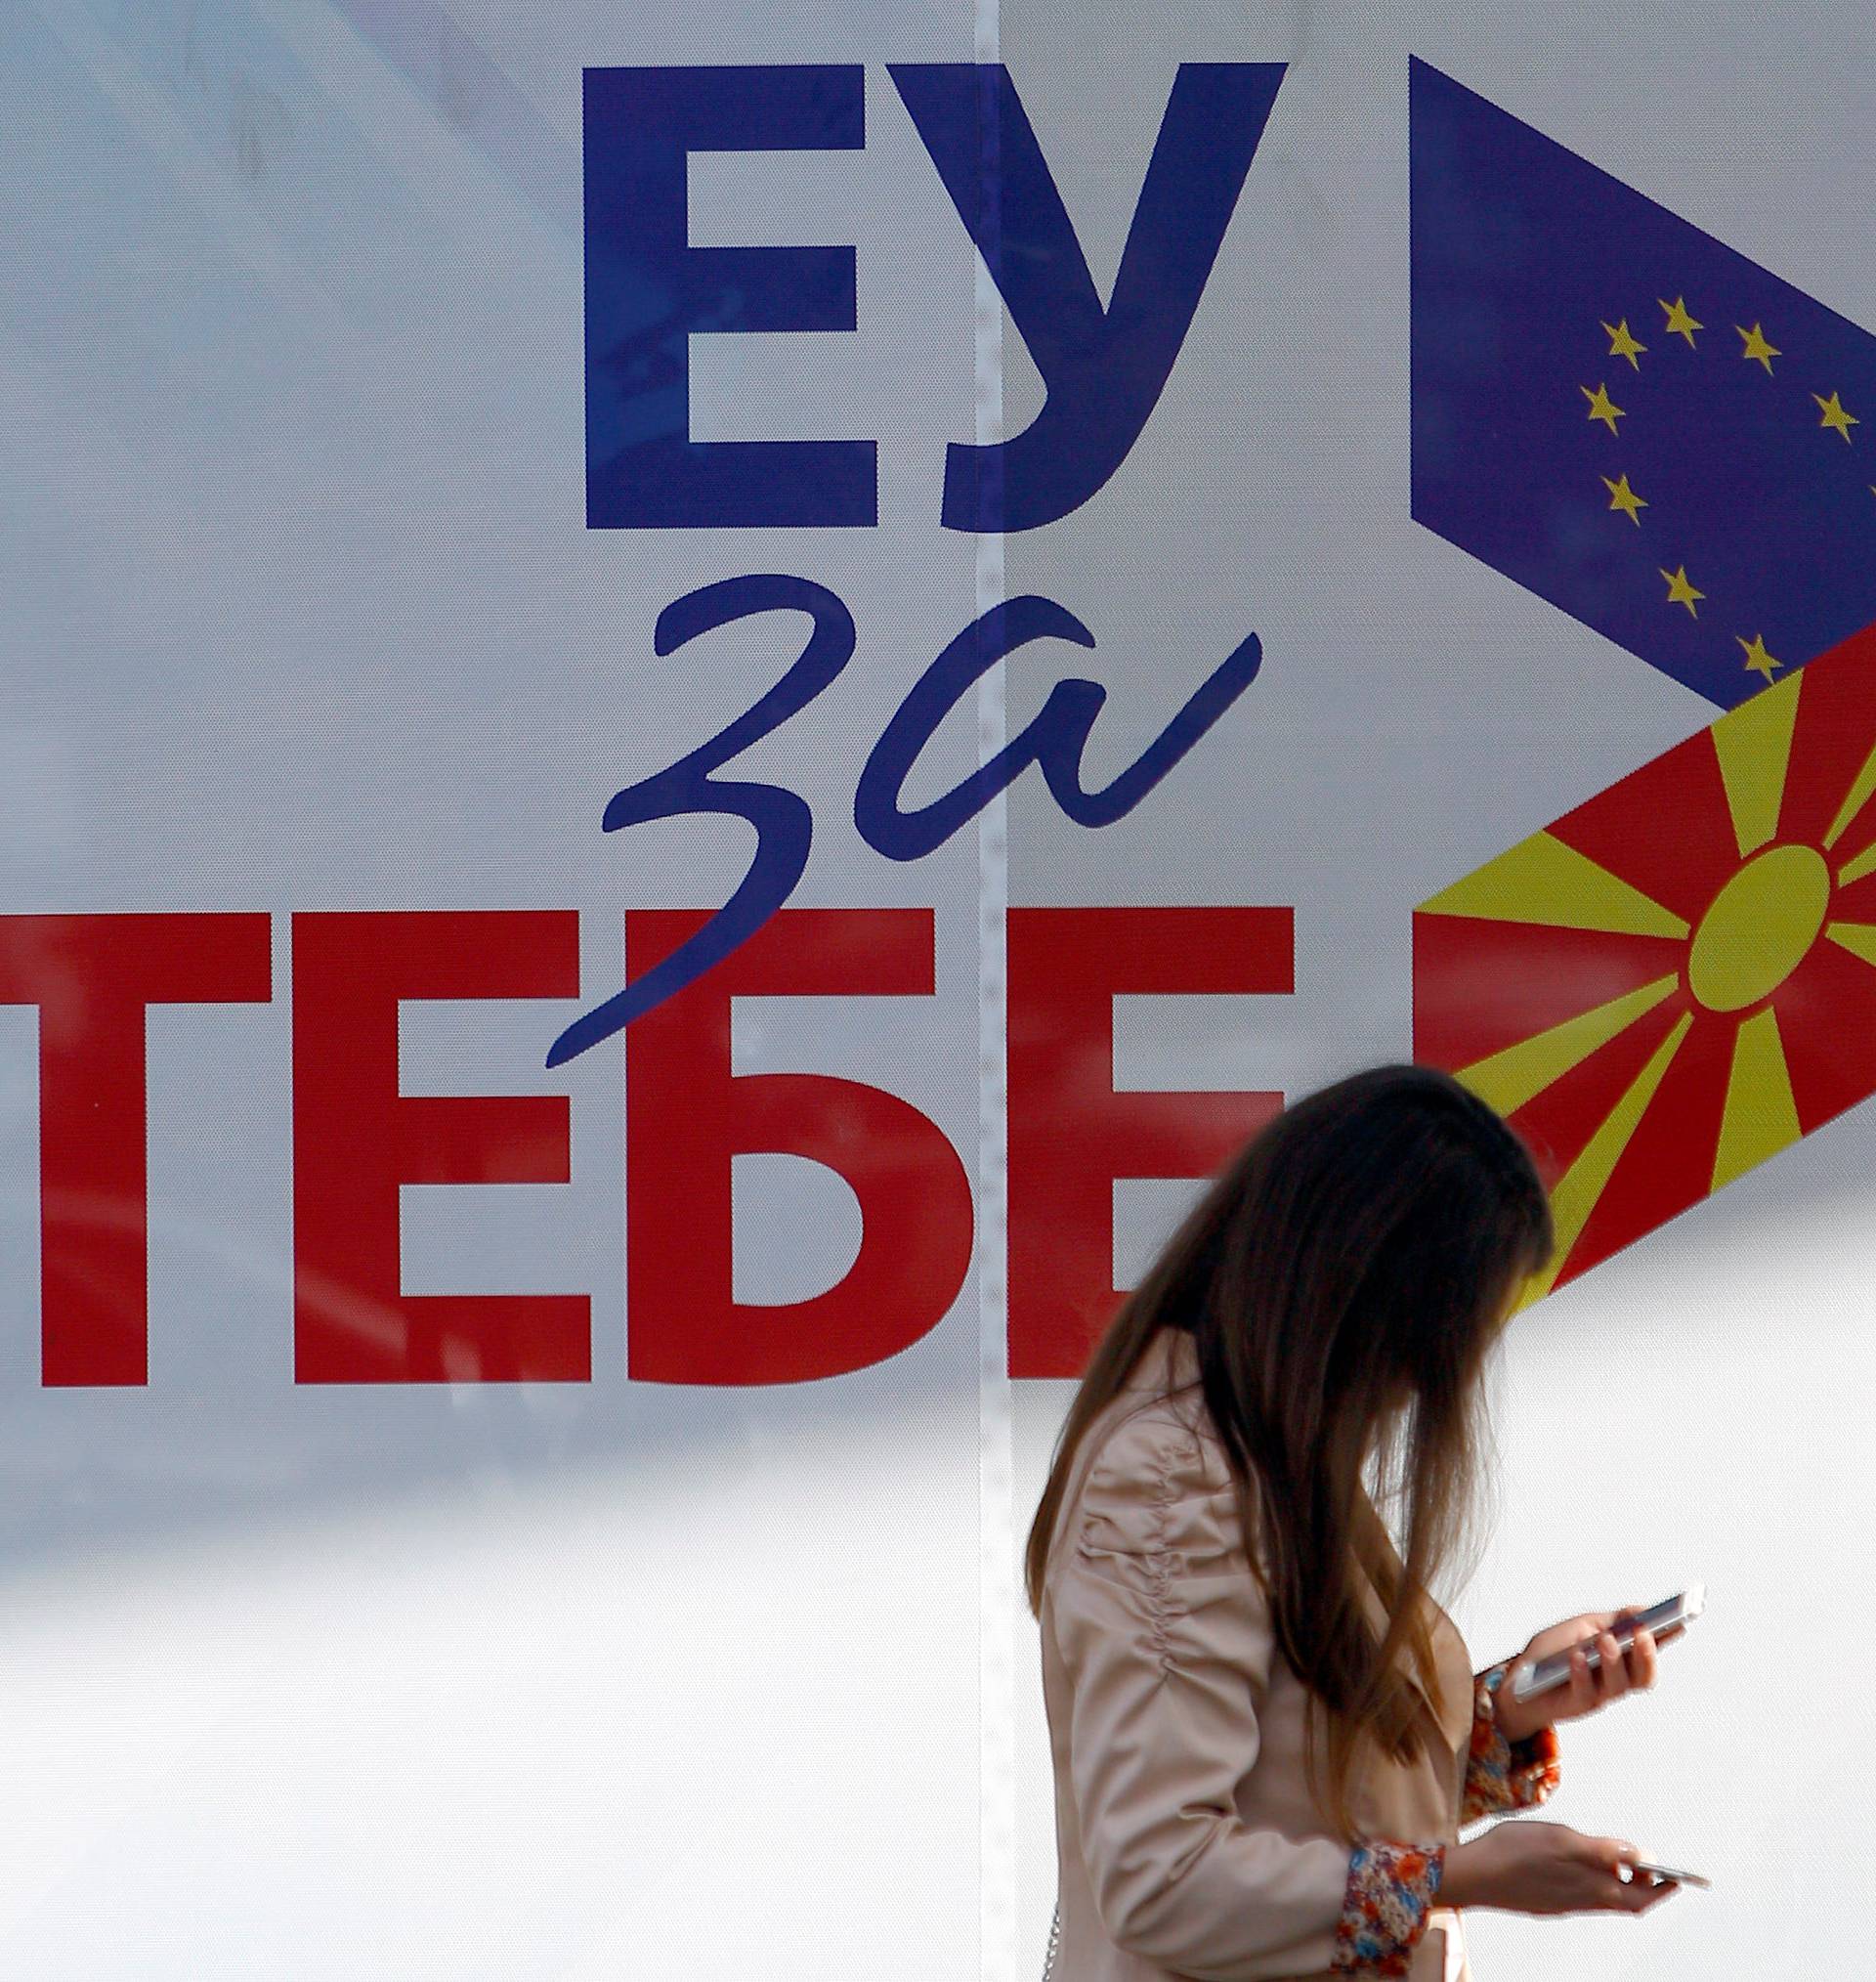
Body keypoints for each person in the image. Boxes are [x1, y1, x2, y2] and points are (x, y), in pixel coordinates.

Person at [1026, 1063, 1683, 1981]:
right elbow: (1162, 1877)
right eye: (1448, 1336)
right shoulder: (1177, 1475)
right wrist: (1461, 1877)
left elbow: (1307, 1794)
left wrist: (1508, 1713)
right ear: (1375, 1300)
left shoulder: (1258, 1454)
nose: (1435, 1381)